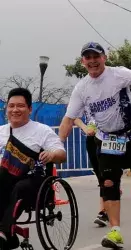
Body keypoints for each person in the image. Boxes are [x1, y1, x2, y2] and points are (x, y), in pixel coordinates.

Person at [59, 42, 131, 248]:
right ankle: (115, 231)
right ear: (83, 62)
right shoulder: (81, 88)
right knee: (108, 183)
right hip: (106, 139)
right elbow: (68, 118)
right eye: (87, 58)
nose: (92, 61)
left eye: (95, 57)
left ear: (104, 58)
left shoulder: (118, 74)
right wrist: (57, 144)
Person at [0, 88, 66, 250]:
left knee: (19, 187)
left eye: (20, 106)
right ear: (6, 108)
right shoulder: (1, 131)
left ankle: (5, 232)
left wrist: (51, 155)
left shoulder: (41, 131)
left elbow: (61, 154)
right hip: (4, 177)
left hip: (32, 181)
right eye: (11, 106)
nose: (15, 110)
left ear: (30, 109)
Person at [74, 117, 109, 227]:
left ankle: (104, 211)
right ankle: (104, 211)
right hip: (92, 138)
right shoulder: (84, 99)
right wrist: (85, 128)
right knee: (101, 176)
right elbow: (74, 117)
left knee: (107, 174)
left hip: (110, 137)